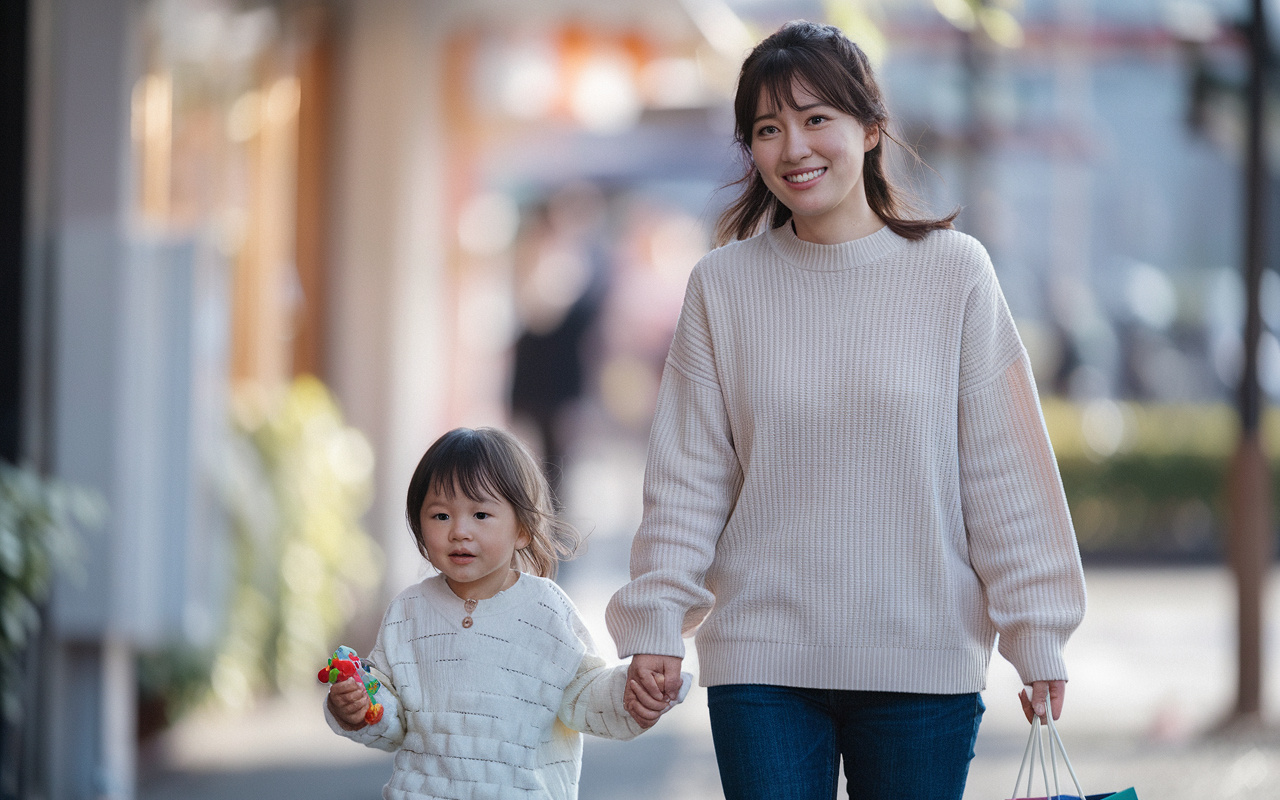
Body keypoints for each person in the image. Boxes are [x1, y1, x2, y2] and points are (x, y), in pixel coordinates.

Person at [606, 20, 1087, 800]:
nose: (793, 147)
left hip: (922, 664)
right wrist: (658, 620)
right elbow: (689, 476)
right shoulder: (722, 288)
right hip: (762, 664)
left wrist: (1037, 635)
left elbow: (1004, 471)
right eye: (767, 129)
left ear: (870, 128)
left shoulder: (955, 276)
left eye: (815, 118)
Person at [326, 427, 683, 799]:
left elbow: (584, 693)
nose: (459, 531)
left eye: (480, 514)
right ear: (418, 523)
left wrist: (631, 694)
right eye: (440, 516)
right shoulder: (407, 612)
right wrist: (360, 706)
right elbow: (391, 714)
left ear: (523, 530)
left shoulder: (545, 610)